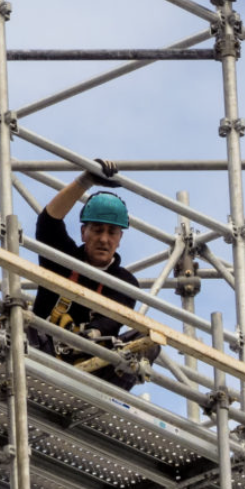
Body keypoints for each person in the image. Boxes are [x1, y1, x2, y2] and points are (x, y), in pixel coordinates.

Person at [30, 162, 153, 389]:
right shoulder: (63, 259)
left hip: (91, 370)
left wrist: (91, 336)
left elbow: (110, 321)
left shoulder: (125, 283)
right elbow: (48, 221)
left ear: (119, 238)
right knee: (22, 317)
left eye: (111, 232)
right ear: (83, 233)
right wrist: (85, 181)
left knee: (147, 343)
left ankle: (107, 396)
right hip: (41, 353)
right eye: (97, 230)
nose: (104, 239)